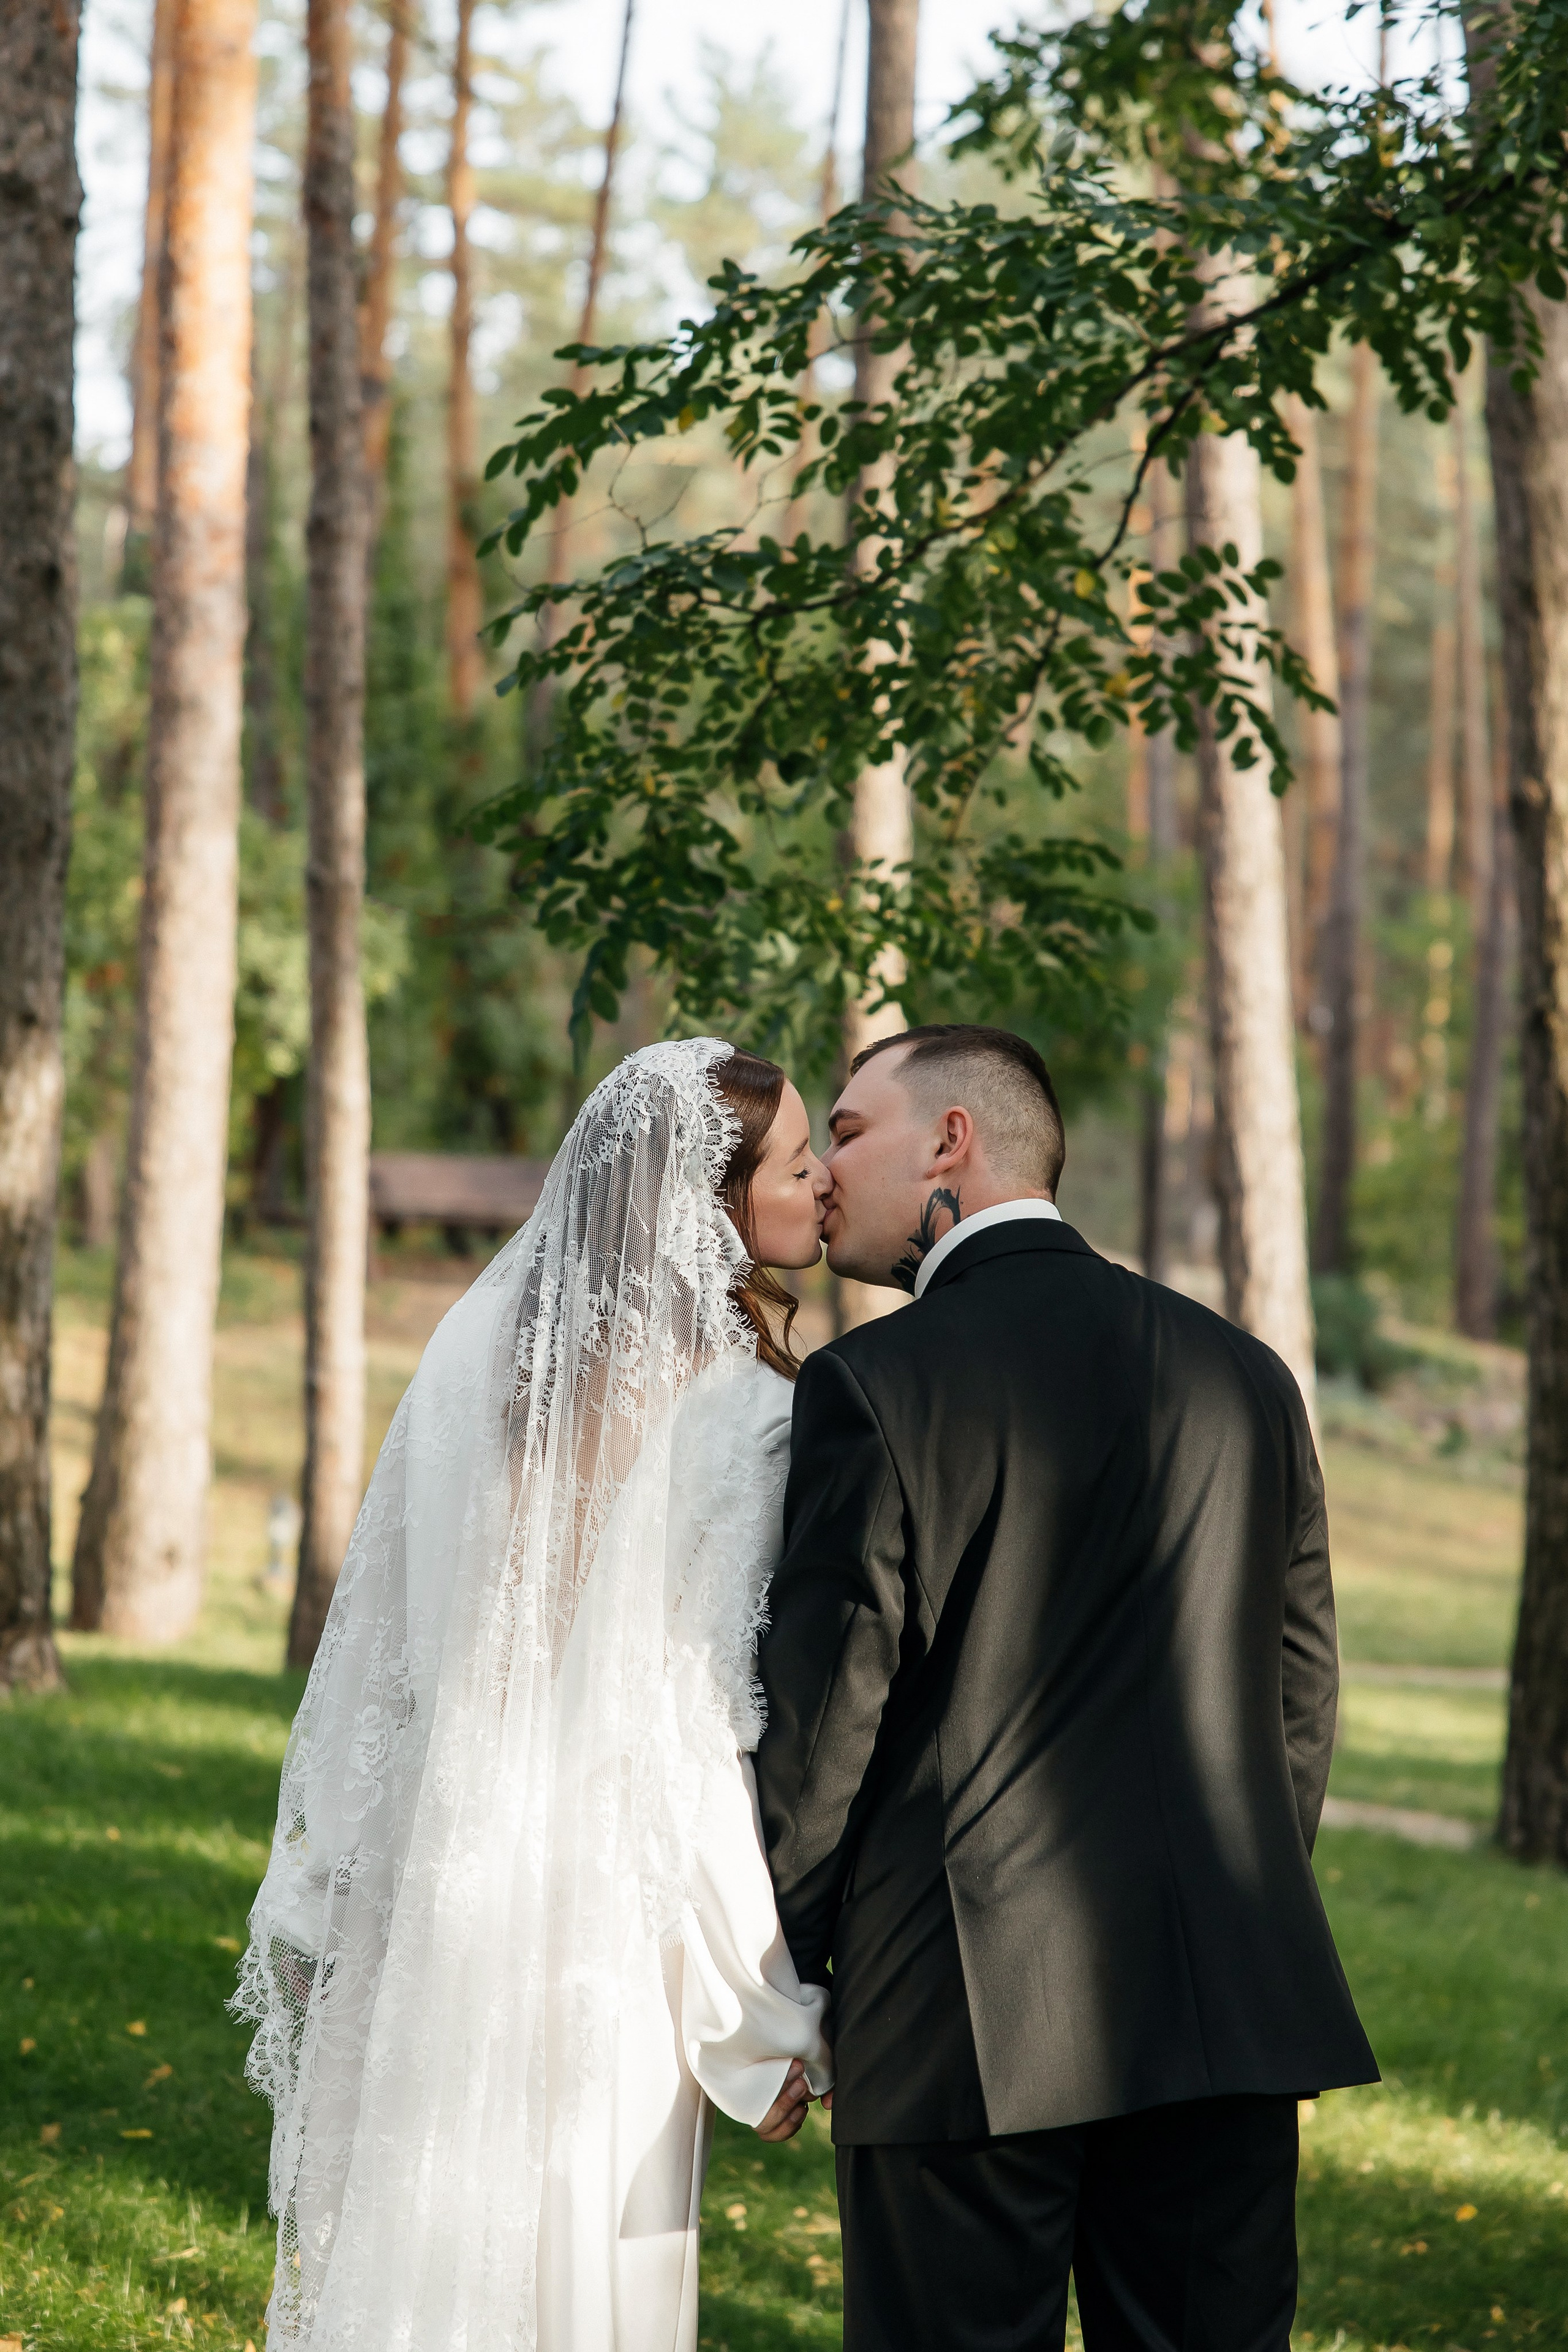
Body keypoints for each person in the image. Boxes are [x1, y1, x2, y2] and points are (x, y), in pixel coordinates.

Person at [754, 1022, 1379, 2352]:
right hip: (1224, 2015)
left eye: (849, 1134)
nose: (823, 1177)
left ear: (951, 1143)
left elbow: (825, 1733)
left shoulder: (875, 1386)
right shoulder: (1245, 1376)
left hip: (960, 2023)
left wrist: (778, 1988)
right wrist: (1231, 1900)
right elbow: (1297, 1689)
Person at [235, 1039, 834, 2352]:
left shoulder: (480, 1367)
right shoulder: (733, 1415)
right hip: (600, 1936)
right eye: (798, 1163)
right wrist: (758, 2012)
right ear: (712, 1199)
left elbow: (388, 1671)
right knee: (574, 2270)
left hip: (443, 1884)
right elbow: (682, 1732)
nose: (826, 1181)